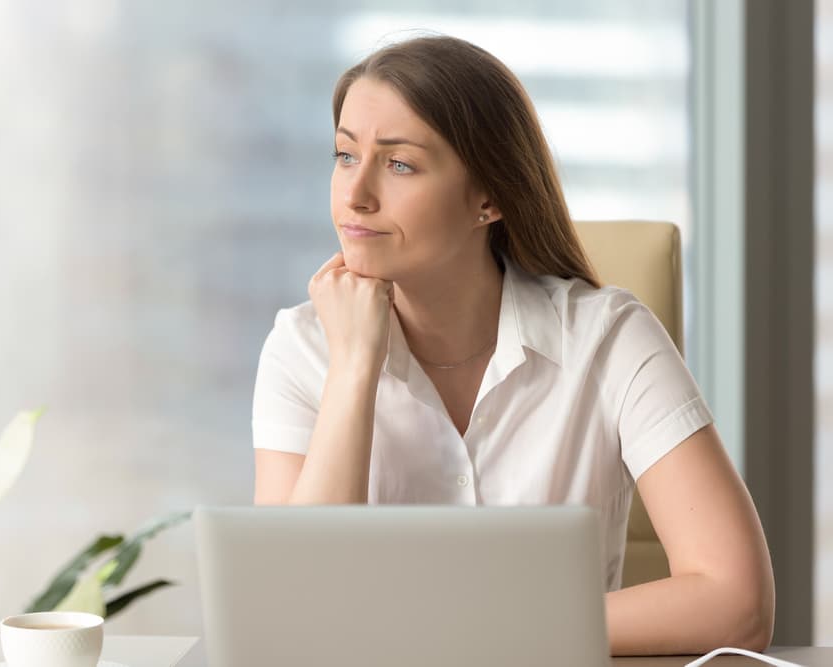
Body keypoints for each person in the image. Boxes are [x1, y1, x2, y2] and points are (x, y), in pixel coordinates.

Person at [251, 35, 774, 656]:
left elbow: (735, 602)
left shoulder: (608, 339)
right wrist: (355, 368)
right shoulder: (302, 348)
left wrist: (472, 635)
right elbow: (291, 618)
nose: (355, 194)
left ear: (490, 198)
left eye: (399, 164)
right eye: (344, 155)